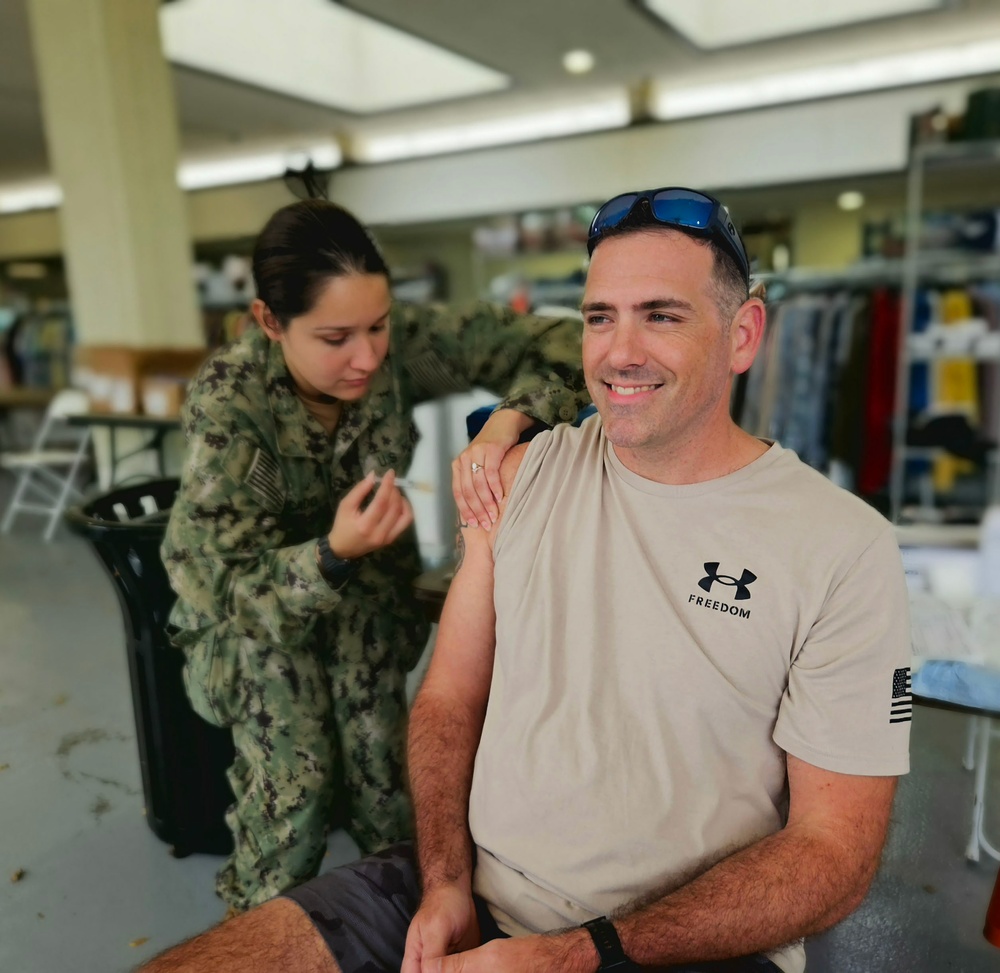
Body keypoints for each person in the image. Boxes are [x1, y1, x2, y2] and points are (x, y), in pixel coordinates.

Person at [142, 187, 911, 973]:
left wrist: (505, 421)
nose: (619, 349)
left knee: (373, 787)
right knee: (274, 846)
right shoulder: (504, 477)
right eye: (599, 316)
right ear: (273, 325)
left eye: (663, 314)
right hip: (283, 657)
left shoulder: (841, 546)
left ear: (743, 334)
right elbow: (445, 692)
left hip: (663, 941)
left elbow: (835, 848)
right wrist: (445, 879)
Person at [160, 198, 590, 913]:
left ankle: (404, 937)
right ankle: (267, 940)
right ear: (271, 322)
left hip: (363, 604)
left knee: (392, 793)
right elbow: (233, 593)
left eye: (379, 326)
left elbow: (566, 343)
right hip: (257, 627)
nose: (367, 357)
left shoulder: (399, 348)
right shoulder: (229, 404)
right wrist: (332, 551)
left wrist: (509, 422)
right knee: (293, 803)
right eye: (335, 337)